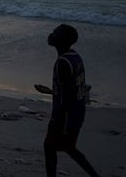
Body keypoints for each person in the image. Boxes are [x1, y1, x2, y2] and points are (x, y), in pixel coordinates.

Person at [34, 24, 99, 177]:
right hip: (77, 112)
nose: (50, 35)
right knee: (69, 148)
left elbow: (65, 98)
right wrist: (49, 91)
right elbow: (72, 89)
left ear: (61, 40)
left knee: (50, 147)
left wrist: (59, 121)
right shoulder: (75, 57)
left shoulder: (62, 63)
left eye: (54, 34)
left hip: (65, 116)